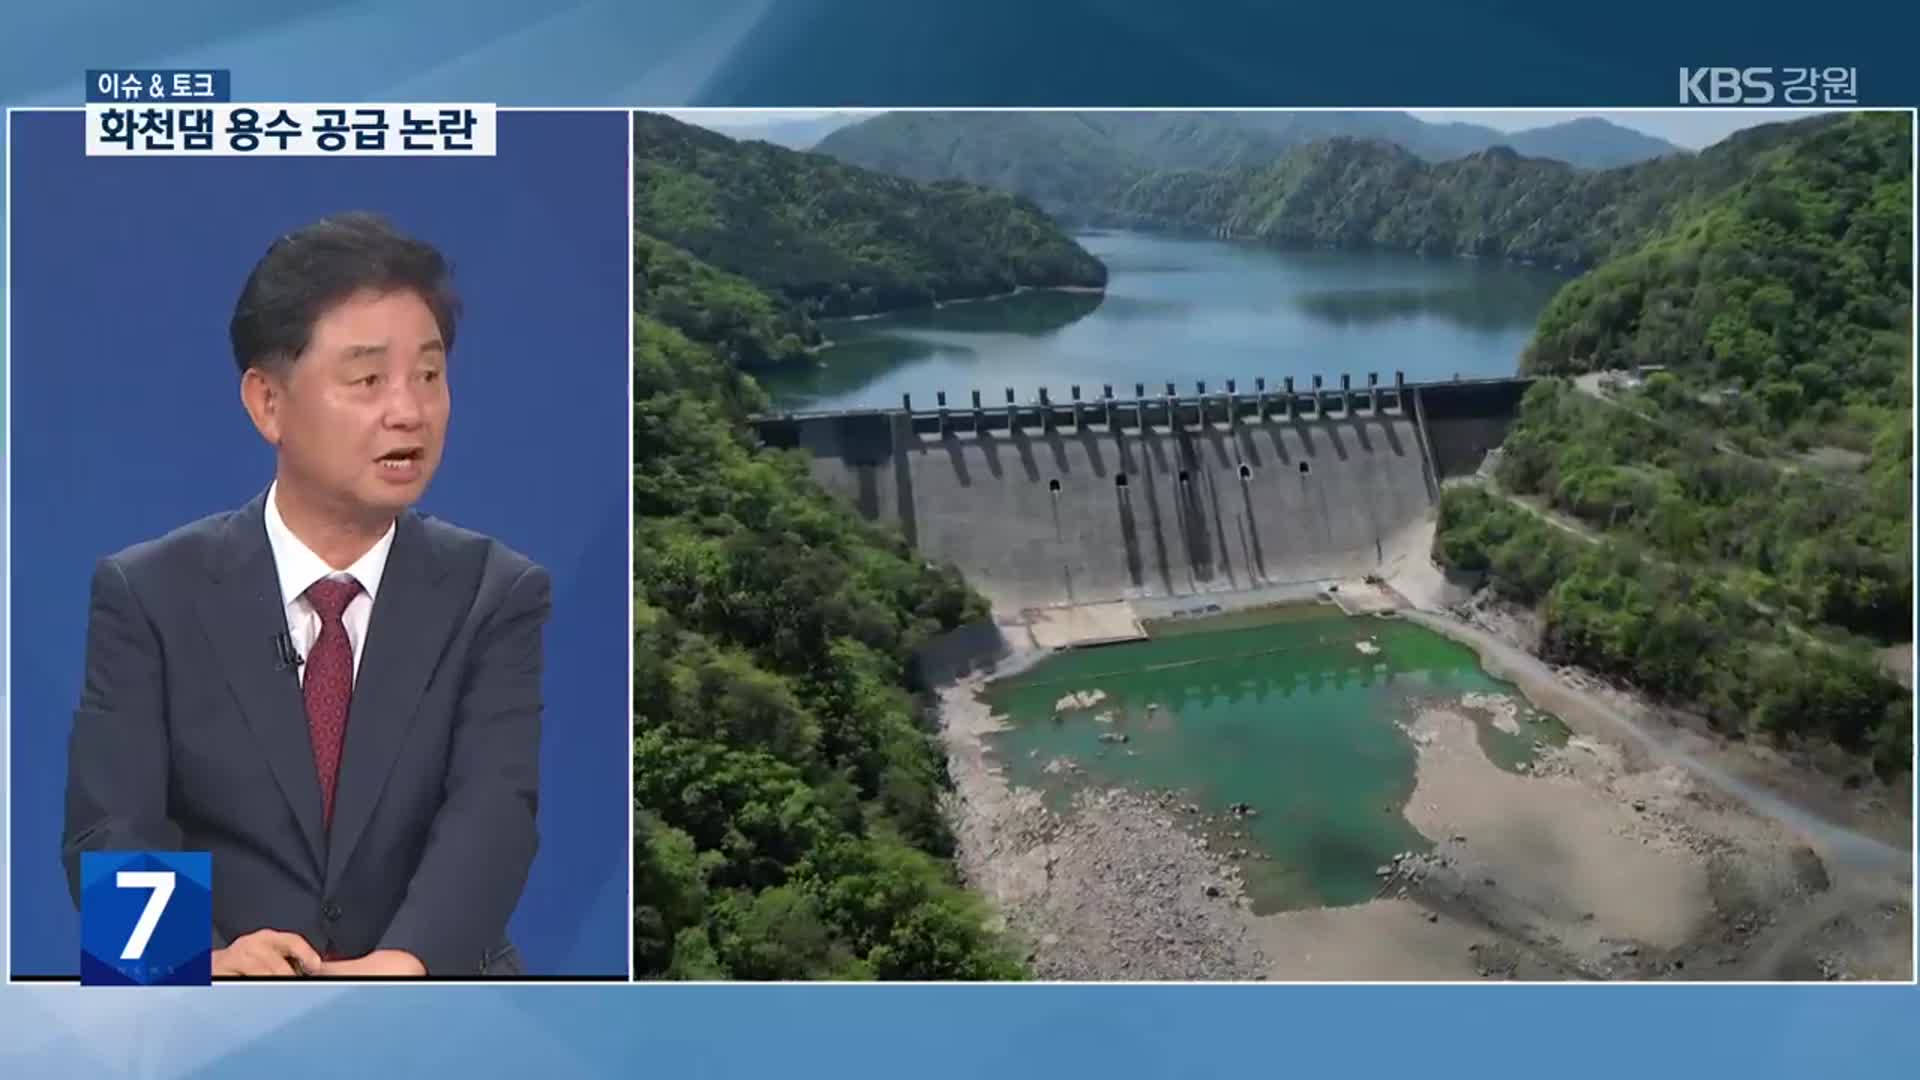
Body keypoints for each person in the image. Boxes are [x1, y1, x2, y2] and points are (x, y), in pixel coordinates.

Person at [62, 212, 551, 978]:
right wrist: (204, 957)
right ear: (268, 403)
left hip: (439, 1007)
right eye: (367, 379)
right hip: (217, 1012)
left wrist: (404, 964)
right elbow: (112, 828)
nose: (409, 411)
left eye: (429, 374)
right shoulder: (149, 593)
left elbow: (493, 812)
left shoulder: (495, 592)